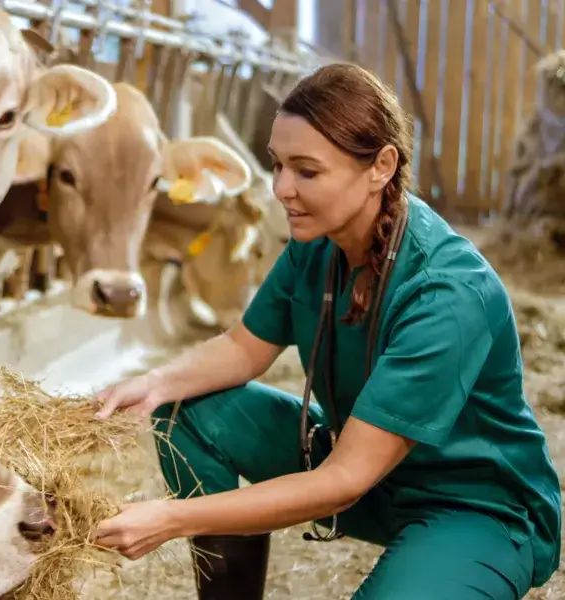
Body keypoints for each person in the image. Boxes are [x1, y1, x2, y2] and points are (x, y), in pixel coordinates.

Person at [90, 62, 562, 600]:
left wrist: (172, 518)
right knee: (186, 411)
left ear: (381, 166)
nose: (282, 189)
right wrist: (153, 384)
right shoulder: (318, 241)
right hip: (368, 471)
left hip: (473, 504)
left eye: (307, 172)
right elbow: (244, 348)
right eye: (278, 165)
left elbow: (343, 482)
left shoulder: (446, 293)